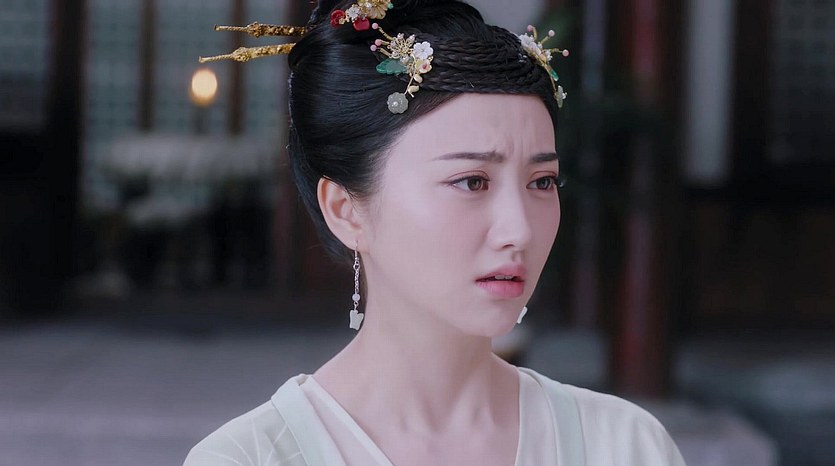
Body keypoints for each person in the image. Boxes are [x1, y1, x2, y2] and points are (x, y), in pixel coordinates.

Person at [185, 0, 686, 464]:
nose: (518, 229)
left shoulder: (625, 445)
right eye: (472, 181)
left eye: (542, 181)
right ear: (346, 210)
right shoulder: (248, 458)